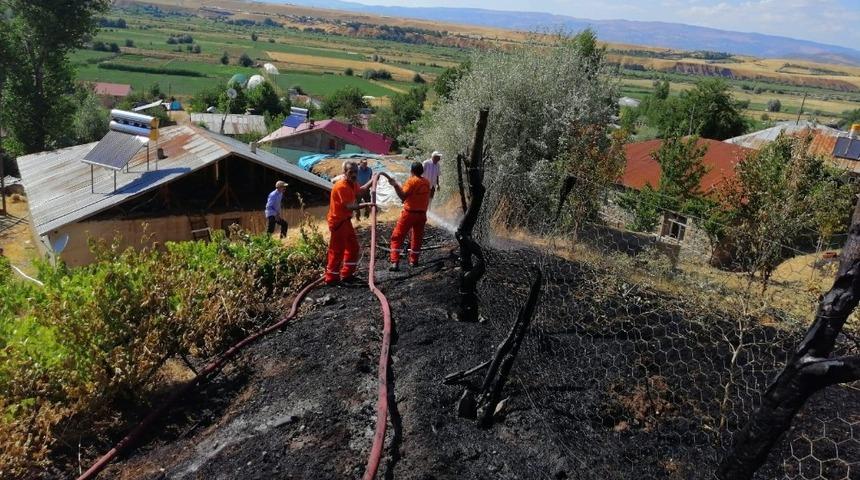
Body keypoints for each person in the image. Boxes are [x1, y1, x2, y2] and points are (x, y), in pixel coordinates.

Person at [326, 161, 374, 285]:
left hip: (345, 221)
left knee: (353, 247)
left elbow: (361, 191)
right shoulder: (341, 186)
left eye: (355, 172)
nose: (353, 174)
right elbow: (350, 206)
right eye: (350, 172)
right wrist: (367, 204)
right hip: (338, 222)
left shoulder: (352, 183)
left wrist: (372, 181)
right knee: (337, 251)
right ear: (344, 173)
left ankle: (347, 274)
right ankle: (331, 278)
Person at [388, 162, 431, 271]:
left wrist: (395, 185)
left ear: (411, 171)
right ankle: (414, 261)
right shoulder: (426, 182)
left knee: (397, 236)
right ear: (422, 171)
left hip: (410, 214)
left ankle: (394, 262)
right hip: (422, 215)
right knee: (417, 237)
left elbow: (402, 195)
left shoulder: (411, 181)